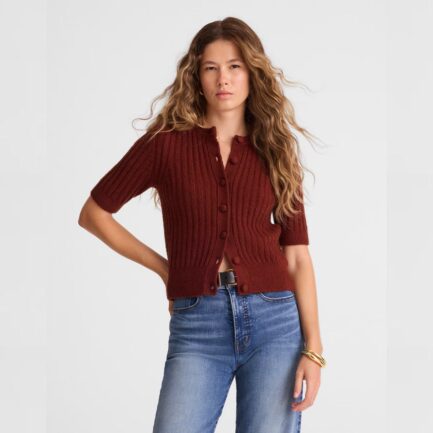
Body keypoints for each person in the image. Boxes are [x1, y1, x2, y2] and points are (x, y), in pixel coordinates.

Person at [78, 16, 325, 433]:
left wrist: (314, 349)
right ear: (196, 75)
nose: (222, 79)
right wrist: (164, 269)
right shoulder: (166, 144)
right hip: (198, 324)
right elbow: (94, 213)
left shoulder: (276, 148)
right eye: (211, 67)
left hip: (275, 322)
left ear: (252, 72)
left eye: (234, 66)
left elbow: (297, 255)